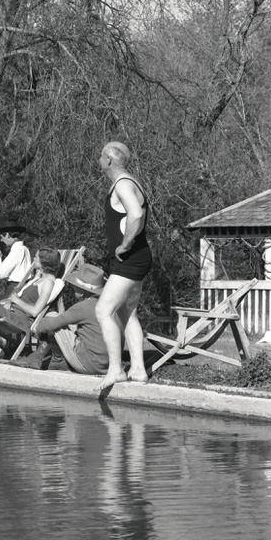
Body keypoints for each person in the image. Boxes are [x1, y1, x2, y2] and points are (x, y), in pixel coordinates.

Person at [95, 141, 152, 386]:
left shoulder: (123, 184)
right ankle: (138, 370)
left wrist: (126, 245)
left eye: (100, 156)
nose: (98, 160)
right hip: (138, 259)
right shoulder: (129, 182)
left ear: (109, 159)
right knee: (127, 313)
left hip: (130, 259)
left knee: (103, 310)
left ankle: (116, 369)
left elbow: (136, 214)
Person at [29, 262, 111, 375]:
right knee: (65, 324)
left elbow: (53, 323)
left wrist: (37, 328)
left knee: (51, 317)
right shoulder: (106, 305)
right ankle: (57, 359)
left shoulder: (84, 307)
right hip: (105, 366)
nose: (73, 287)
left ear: (82, 291)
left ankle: (54, 359)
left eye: (76, 286)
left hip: (87, 364)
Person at [0, 223, 32, 298]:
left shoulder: (17, 250)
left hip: (16, 290)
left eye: (1, 237)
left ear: (8, 235)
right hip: (22, 288)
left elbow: (0, 274)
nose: (1, 240)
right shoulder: (24, 249)